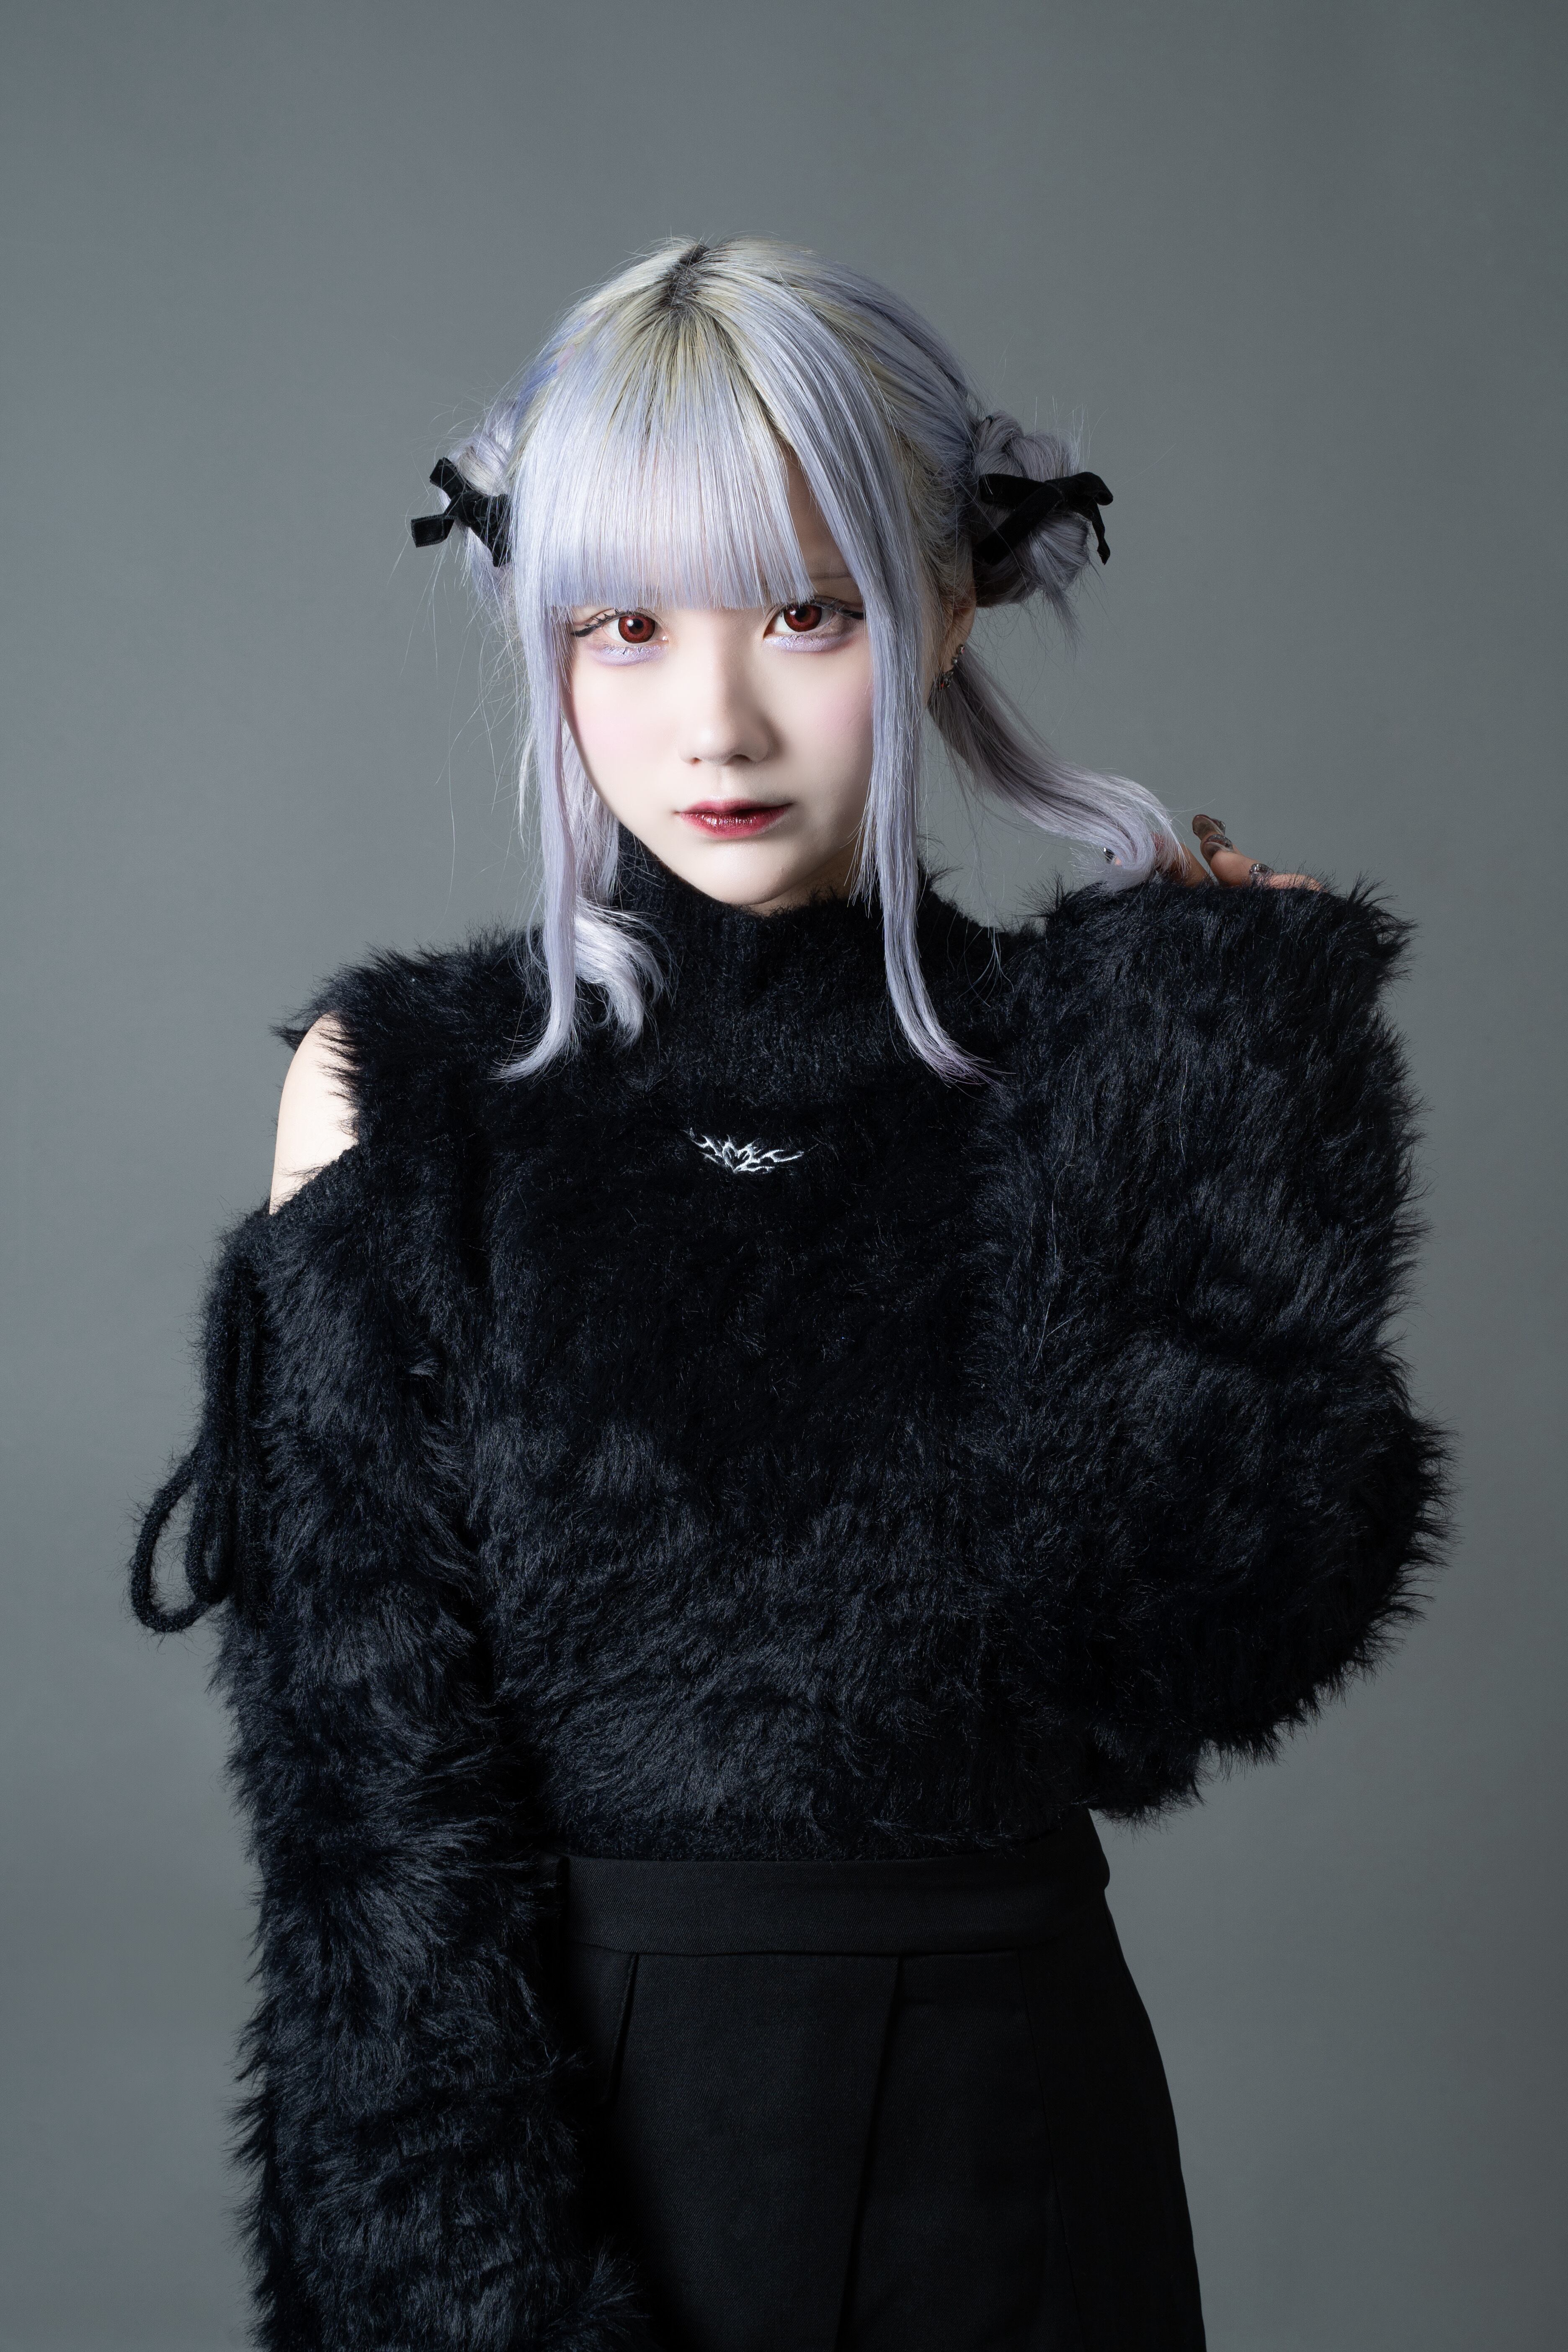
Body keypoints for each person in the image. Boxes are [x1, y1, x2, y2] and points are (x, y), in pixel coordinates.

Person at [130, 237, 1442, 2352]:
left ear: (948, 605)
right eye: (627, 628)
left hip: (1020, 2155)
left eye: (807, 615)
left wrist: (1238, 1075)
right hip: (579, 2143)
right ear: (546, 637)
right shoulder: (409, 1095)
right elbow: (365, 1817)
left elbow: (1187, 1664)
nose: (715, 720)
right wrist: (474, 2301)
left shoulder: (1099, 1064)